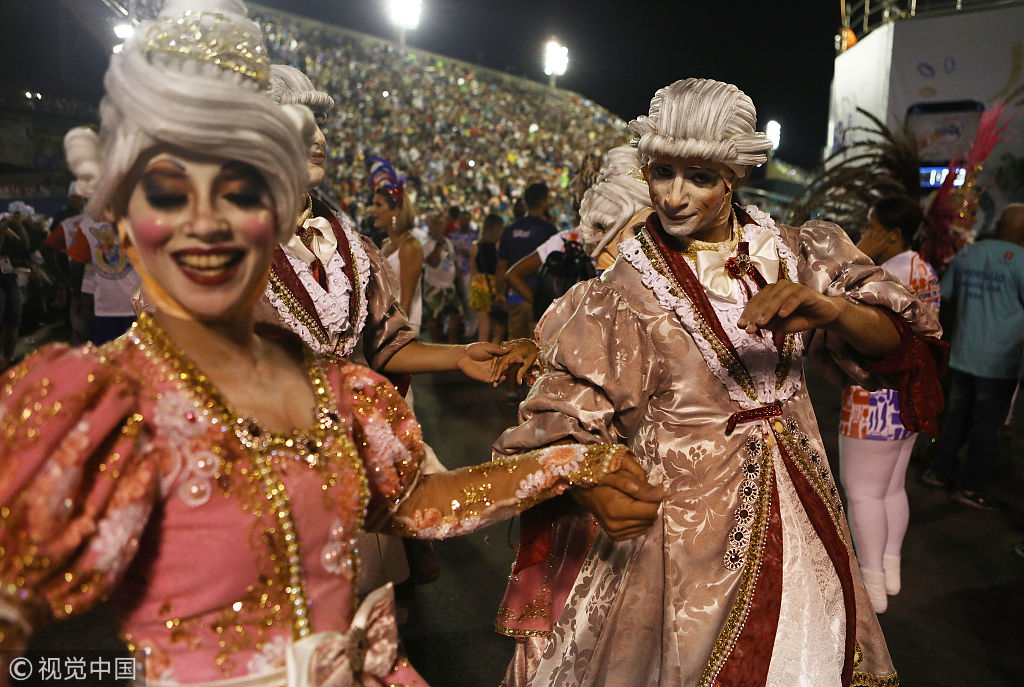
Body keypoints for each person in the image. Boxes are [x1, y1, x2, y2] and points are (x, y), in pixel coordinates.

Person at [0, 3, 642, 685]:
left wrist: (577, 462)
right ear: (124, 225)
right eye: (169, 192)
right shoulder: (98, 403)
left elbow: (420, 503)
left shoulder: (339, 390)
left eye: (241, 187)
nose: (209, 222)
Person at [494, 78, 946, 687]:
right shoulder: (621, 291)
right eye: (662, 172)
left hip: (799, 508)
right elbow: (565, 417)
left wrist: (833, 310)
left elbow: (899, 342)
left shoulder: (795, 252)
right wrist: (595, 486)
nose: (675, 196)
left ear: (733, 177)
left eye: (699, 176)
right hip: (679, 536)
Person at [838, 195, 942, 613]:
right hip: (913, 396)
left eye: (870, 225)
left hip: (874, 399)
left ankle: (872, 589)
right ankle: (890, 573)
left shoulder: (885, 278)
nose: (864, 235)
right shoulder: (924, 270)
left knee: (863, 492)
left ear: (892, 233)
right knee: (892, 487)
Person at [923, 203, 1024, 510]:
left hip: (964, 353)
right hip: (998, 361)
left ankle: (939, 470)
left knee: (957, 415)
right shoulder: (1021, 260)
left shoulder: (969, 254)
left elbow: (947, 295)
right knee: (986, 425)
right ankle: (970, 485)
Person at [495, 182, 558, 340]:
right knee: (538, 353)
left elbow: (501, 265)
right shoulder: (548, 230)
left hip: (515, 298)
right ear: (543, 202)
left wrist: (500, 293)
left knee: (515, 351)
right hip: (541, 300)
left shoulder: (510, 230)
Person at [422, 213, 464, 344]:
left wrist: (460, 282)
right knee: (434, 318)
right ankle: (436, 344)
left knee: (457, 313)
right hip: (434, 286)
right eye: (435, 223)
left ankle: (452, 342)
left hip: (449, 286)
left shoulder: (448, 242)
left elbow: (453, 262)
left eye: (440, 223)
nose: (438, 226)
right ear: (429, 225)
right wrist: (438, 245)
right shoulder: (427, 244)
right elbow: (433, 262)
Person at [468, 213, 506, 344]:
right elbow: (501, 268)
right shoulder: (499, 245)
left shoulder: (475, 246)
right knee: (499, 329)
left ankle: (480, 358)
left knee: (483, 326)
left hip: (478, 286)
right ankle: (494, 355)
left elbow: (473, 270)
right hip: (495, 284)